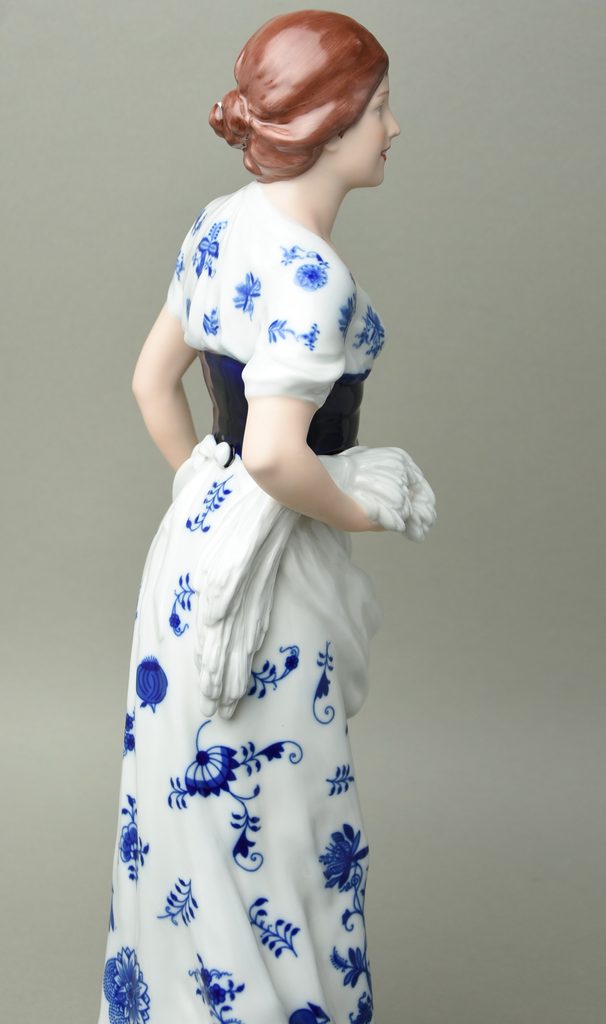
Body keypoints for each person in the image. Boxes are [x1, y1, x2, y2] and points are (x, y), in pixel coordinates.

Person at [97, 10, 435, 1024]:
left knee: (189, 809)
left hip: (190, 557)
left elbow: (152, 384)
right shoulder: (313, 277)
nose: (393, 129)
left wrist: (207, 496)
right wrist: (358, 510)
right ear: (329, 125)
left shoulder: (219, 221)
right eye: (379, 109)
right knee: (280, 813)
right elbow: (280, 455)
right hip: (269, 580)